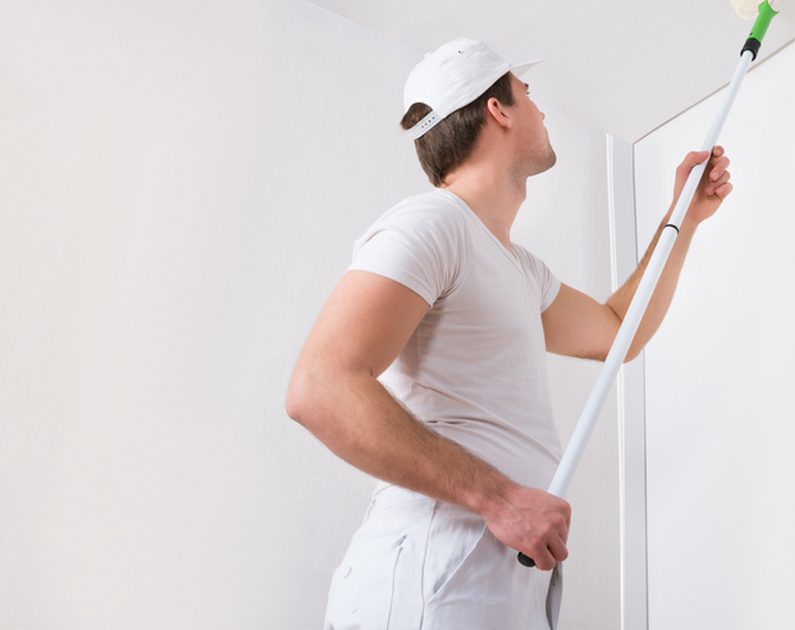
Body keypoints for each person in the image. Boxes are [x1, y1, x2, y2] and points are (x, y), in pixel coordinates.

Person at [286, 37, 732, 630]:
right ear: (497, 110)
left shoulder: (518, 268)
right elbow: (320, 386)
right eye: (527, 95)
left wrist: (682, 217)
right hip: (432, 576)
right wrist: (498, 498)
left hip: (497, 583)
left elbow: (618, 332)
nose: (541, 112)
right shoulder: (433, 223)